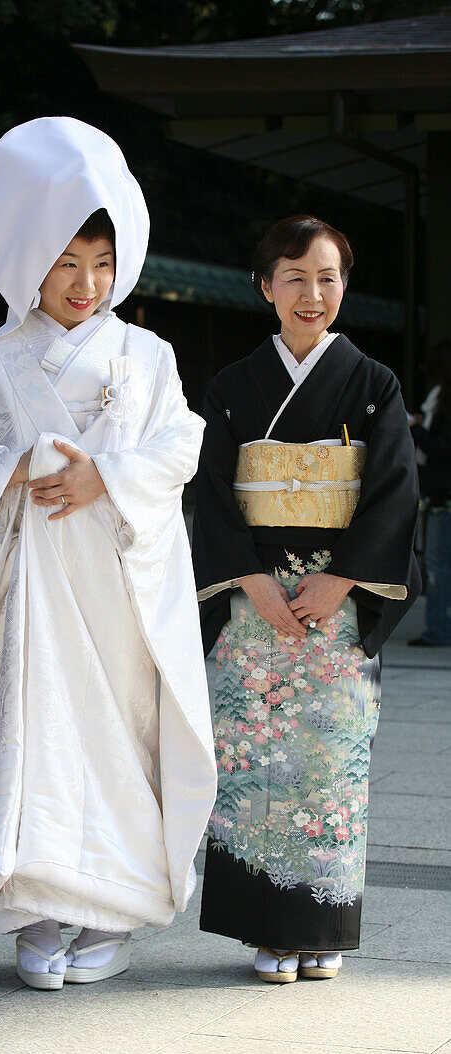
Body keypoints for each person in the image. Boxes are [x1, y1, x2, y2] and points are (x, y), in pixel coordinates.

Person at [0, 117, 216, 990]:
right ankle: (36, 912)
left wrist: (109, 478)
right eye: (65, 263)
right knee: (33, 739)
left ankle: (112, 912)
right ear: (28, 261)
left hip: (118, 593)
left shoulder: (148, 354)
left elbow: (180, 448)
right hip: (26, 599)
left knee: (117, 746)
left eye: (100, 262)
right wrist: (16, 466)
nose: (86, 283)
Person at [192, 215, 420, 984]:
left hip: (335, 605)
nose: (311, 293)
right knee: (250, 765)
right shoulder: (230, 388)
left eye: (326, 278)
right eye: (293, 277)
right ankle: (264, 927)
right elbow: (211, 496)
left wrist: (341, 576)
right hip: (252, 606)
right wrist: (253, 582)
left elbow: (393, 491)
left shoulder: (373, 383)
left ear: (343, 287)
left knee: (327, 764)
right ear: (265, 287)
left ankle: (318, 928)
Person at [408, 340, 451, 646]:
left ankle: (438, 629)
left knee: (437, 565)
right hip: (442, 495)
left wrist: (414, 427)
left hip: (443, 496)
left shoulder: (445, 399)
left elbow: (441, 449)